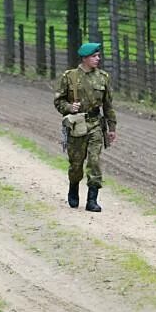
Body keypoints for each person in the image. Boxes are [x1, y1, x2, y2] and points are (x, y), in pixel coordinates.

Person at [54, 42, 117, 211]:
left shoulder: (103, 77)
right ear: (85, 58)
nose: (98, 59)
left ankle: (92, 200)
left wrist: (112, 128)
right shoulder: (70, 77)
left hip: (96, 124)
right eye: (94, 56)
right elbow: (58, 101)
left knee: (94, 161)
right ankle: (73, 188)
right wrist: (69, 108)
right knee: (76, 164)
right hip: (77, 126)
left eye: (98, 56)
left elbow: (108, 105)